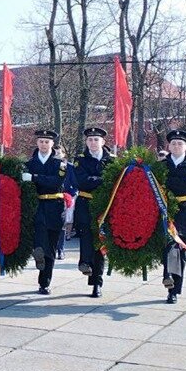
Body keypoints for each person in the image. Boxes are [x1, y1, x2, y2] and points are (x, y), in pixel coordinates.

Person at [23, 129, 67, 295]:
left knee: (51, 247)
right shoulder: (29, 163)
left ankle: (44, 283)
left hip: (55, 207)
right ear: (37, 143)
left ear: (52, 144)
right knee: (39, 238)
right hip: (37, 206)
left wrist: (34, 178)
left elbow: (55, 182)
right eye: (41, 141)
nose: (43, 144)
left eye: (47, 142)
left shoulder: (60, 163)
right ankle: (38, 251)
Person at [72, 127, 114, 298]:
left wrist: (94, 180)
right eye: (90, 139)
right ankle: (85, 262)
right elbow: (82, 181)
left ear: (103, 142)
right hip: (85, 203)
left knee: (100, 243)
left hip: (104, 205)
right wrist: (103, 180)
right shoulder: (80, 159)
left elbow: (114, 181)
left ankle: (97, 283)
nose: (93, 142)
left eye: (96, 139)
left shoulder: (111, 160)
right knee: (86, 236)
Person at [161, 130, 186, 304]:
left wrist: (170, 182)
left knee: (180, 248)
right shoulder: (162, 164)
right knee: (168, 245)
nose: (176, 146)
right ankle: (168, 277)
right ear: (169, 146)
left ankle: (174, 289)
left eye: (180, 143)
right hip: (167, 208)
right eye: (173, 143)